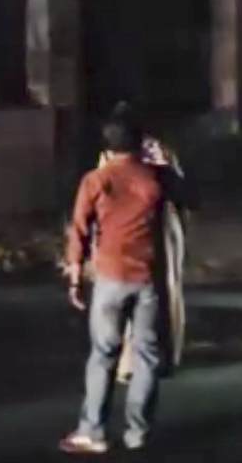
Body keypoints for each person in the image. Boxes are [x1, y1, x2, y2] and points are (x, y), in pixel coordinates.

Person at [58, 118, 165, 454]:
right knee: (146, 356)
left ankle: (93, 432)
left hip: (110, 278)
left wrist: (75, 275)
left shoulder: (97, 180)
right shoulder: (156, 177)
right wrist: (160, 160)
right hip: (146, 278)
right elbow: (191, 197)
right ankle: (138, 434)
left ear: (106, 148)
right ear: (139, 143)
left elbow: (78, 229)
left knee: (103, 355)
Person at [98, 102, 187, 385]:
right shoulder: (158, 156)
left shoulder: (116, 158)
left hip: (134, 236)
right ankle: (155, 359)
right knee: (158, 294)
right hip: (157, 233)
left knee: (129, 298)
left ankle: (131, 363)